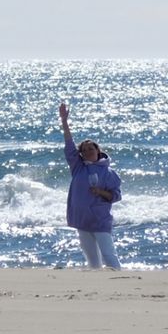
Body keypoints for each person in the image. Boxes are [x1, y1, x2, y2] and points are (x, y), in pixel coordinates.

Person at [58, 100, 123, 269]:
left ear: (98, 151)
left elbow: (116, 196)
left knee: (109, 255)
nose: (87, 152)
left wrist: (101, 192)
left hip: (100, 220)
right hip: (82, 220)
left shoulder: (108, 173)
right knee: (93, 261)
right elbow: (69, 146)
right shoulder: (78, 167)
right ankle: (98, 289)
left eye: (91, 149)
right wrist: (64, 121)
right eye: (84, 150)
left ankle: (123, 281)